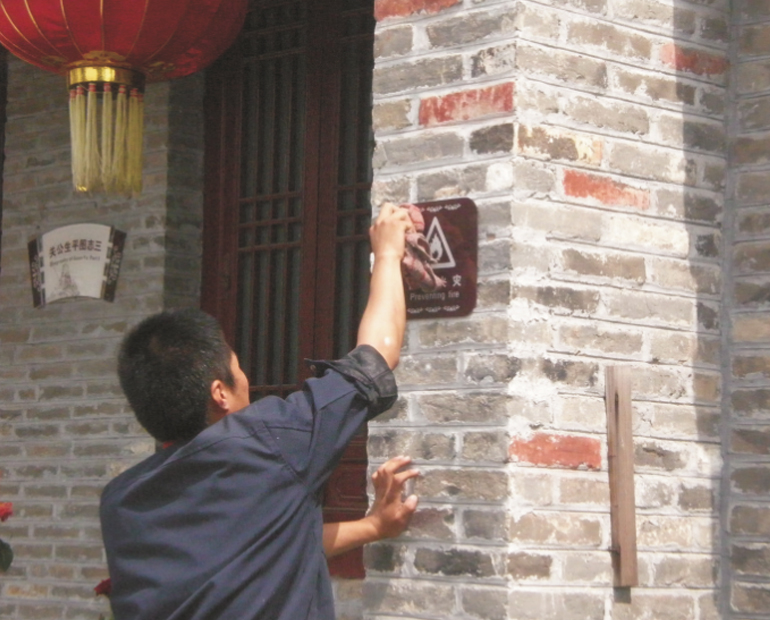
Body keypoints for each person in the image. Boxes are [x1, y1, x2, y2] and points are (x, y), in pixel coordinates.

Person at [100, 204, 418, 619]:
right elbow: (375, 359)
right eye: (238, 369)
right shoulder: (269, 445)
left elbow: (267, 547)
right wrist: (388, 254)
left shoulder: (122, 502)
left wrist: (373, 527)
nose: (245, 377)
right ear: (220, 394)